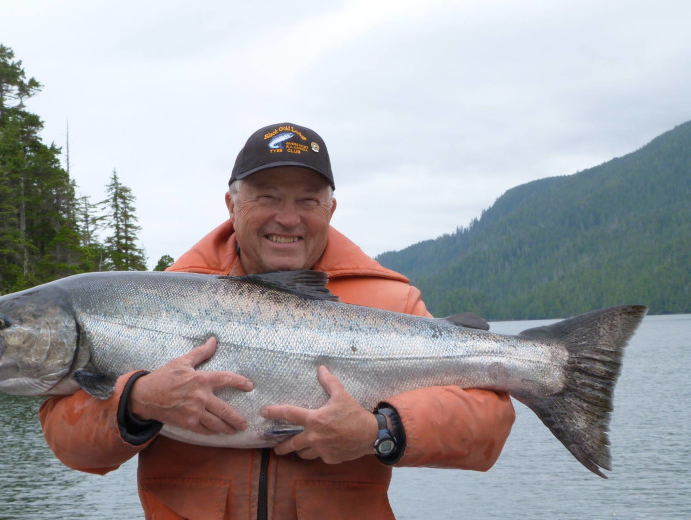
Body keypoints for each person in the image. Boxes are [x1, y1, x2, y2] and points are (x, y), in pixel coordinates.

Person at [39, 122, 516, 519]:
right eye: (267, 196)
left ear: (330, 208)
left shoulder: (390, 300)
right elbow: (71, 445)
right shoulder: (158, 299)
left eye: (307, 200)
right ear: (232, 204)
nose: (287, 218)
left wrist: (378, 431)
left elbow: (487, 422)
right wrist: (138, 401)